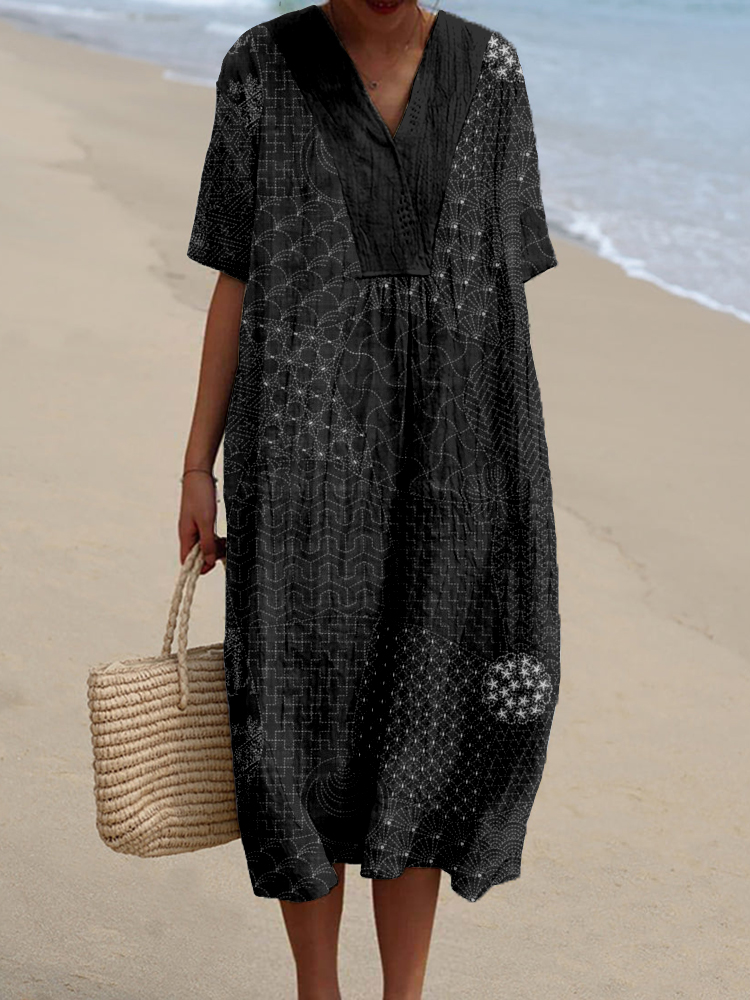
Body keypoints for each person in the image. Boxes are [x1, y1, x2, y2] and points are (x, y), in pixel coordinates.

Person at [179, 2, 560, 998]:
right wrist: (195, 464)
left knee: (423, 722)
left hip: (451, 461)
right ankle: (318, 991)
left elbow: (499, 299)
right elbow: (236, 273)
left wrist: (507, 479)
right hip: (298, 455)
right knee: (292, 719)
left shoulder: (489, 69)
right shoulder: (261, 65)